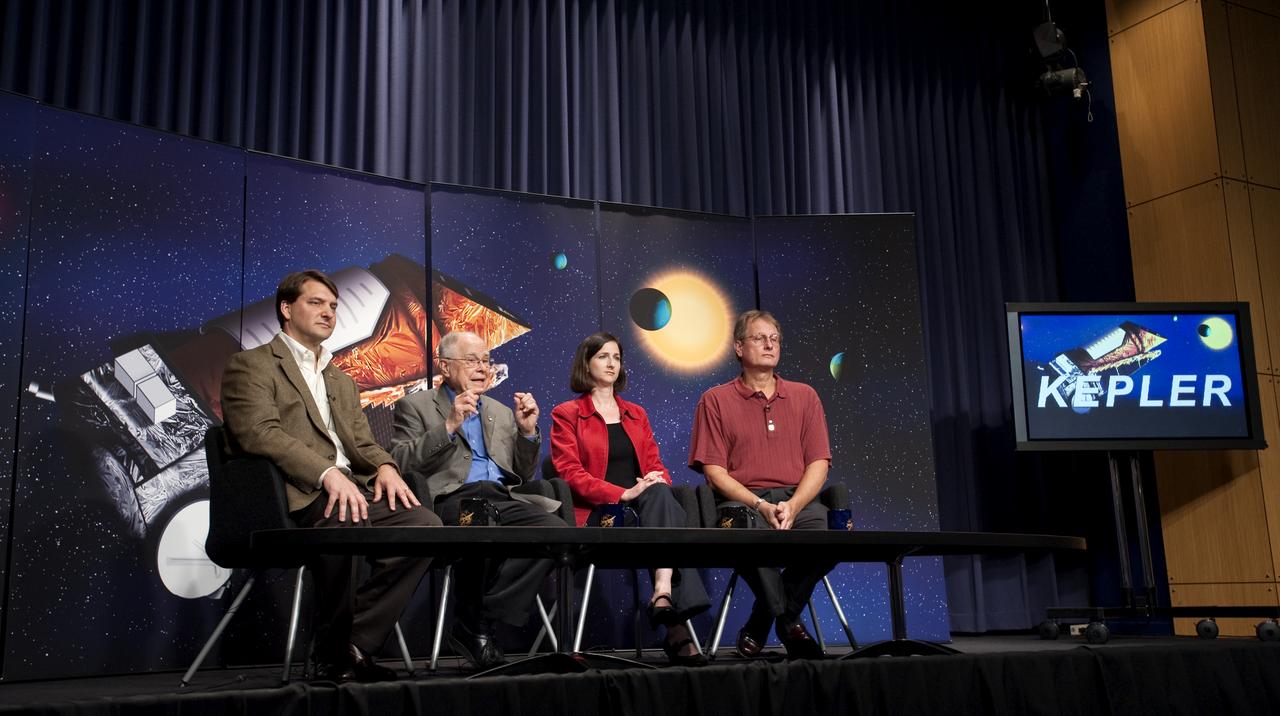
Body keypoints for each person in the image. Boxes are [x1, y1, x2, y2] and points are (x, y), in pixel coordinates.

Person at [220, 269, 440, 683]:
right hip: (296, 495)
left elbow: (361, 443)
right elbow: (258, 433)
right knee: (346, 516)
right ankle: (335, 653)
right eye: (316, 303)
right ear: (287, 309)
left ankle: (351, 644)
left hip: (350, 491)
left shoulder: (341, 378)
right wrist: (325, 473)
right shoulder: (250, 365)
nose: (328, 313)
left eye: (334, 306)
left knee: (424, 525)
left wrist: (386, 467)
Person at [390, 330, 566, 670]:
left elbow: (524, 474)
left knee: (555, 531)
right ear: (444, 366)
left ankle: (478, 618)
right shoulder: (417, 405)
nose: (482, 368)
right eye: (472, 360)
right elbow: (400, 462)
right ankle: (477, 627)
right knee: (481, 521)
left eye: (486, 360)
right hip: (451, 500)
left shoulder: (500, 411)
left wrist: (528, 432)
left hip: (502, 497)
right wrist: (449, 425)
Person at [550, 333, 710, 667]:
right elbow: (570, 474)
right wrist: (623, 493)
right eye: (603, 357)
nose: (611, 364)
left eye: (617, 357)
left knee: (661, 493)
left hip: (644, 510)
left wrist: (656, 479)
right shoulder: (567, 414)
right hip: (601, 512)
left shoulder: (636, 413)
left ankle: (662, 591)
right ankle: (675, 625)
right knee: (664, 511)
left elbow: (655, 464)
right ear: (587, 363)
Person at [688, 309, 834, 659]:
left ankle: (761, 621)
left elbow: (819, 462)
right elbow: (714, 472)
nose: (769, 344)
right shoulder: (715, 400)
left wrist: (794, 505)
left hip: (795, 500)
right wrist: (761, 505)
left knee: (831, 534)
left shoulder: (805, 396)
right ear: (739, 347)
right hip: (742, 504)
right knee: (746, 536)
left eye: (775, 339)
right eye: (759, 338)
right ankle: (790, 625)